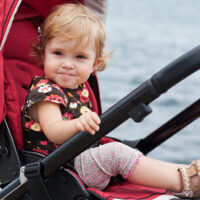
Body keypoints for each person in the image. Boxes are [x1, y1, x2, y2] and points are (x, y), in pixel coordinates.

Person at [21, 3, 200, 198]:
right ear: (43, 53)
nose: (67, 64)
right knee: (116, 154)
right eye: (58, 53)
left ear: (94, 64)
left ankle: (182, 173)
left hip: (78, 162)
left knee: (121, 150)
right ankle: (185, 181)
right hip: (58, 169)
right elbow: (54, 131)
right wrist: (77, 124)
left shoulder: (78, 89)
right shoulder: (44, 92)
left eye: (80, 57)